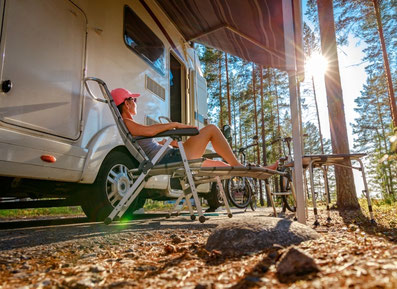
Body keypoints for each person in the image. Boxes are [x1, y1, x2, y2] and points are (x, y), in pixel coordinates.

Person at [111, 88, 277, 169]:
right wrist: (175, 124)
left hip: (170, 154)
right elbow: (150, 131)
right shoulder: (128, 123)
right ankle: (240, 166)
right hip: (171, 158)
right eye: (134, 100)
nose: (136, 103)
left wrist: (164, 143)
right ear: (126, 103)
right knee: (211, 129)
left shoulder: (130, 123)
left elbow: (149, 137)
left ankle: (255, 169)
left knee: (224, 166)